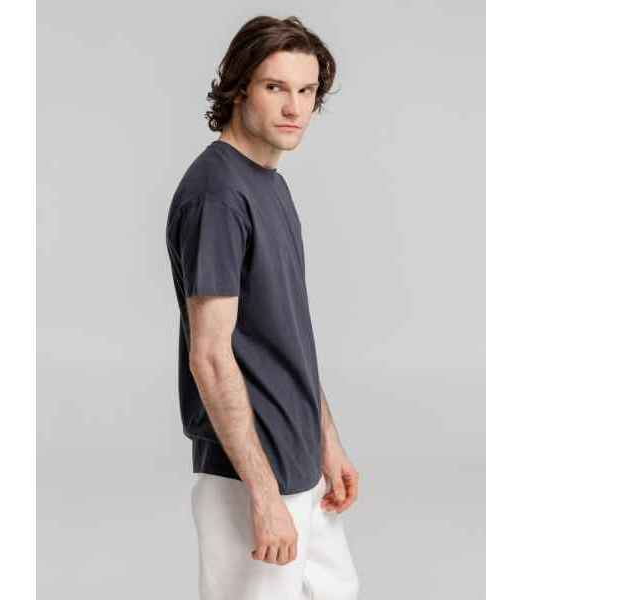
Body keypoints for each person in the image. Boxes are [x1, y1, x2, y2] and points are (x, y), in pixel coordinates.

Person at [165, 15, 360, 599]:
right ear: (239, 88)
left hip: (298, 461)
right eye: (276, 87)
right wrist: (262, 493)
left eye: (306, 91)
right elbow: (210, 356)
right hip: (250, 475)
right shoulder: (218, 195)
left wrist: (326, 439)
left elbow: (284, 336)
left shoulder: (269, 183)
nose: (294, 107)